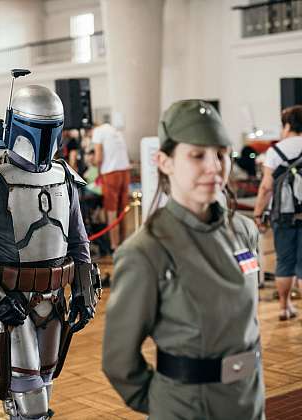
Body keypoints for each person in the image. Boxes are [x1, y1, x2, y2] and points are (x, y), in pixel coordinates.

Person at [0, 85, 101, 420]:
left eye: (52, 128)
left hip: (53, 300)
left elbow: (79, 242)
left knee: (42, 387)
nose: (46, 137)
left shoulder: (64, 175)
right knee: (30, 407)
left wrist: (85, 291)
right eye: (40, 128)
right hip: (10, 302)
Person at [103, 100, 264, 419]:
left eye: (221, 154)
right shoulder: (146, 251)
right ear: (164, 161)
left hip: (248, 400)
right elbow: (119, 360)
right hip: (186, 407)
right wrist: (167, 402)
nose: (214, 167)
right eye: (197, 155)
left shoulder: (244, 232)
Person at [253, 105, 302, 320]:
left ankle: (284, 306)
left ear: (288, 125)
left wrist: (257, 213)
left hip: (283, 215)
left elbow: (266, 187)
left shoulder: (276, 151)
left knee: (284, 260)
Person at [92, 118, 131, 250]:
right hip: (125, 171)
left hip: (111, 174)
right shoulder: (116, 131)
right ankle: (124, 242)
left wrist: (94, 167)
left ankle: (114, 246)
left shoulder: (97, 131)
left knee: (111, 211)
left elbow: (98, 158)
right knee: (122, 210)